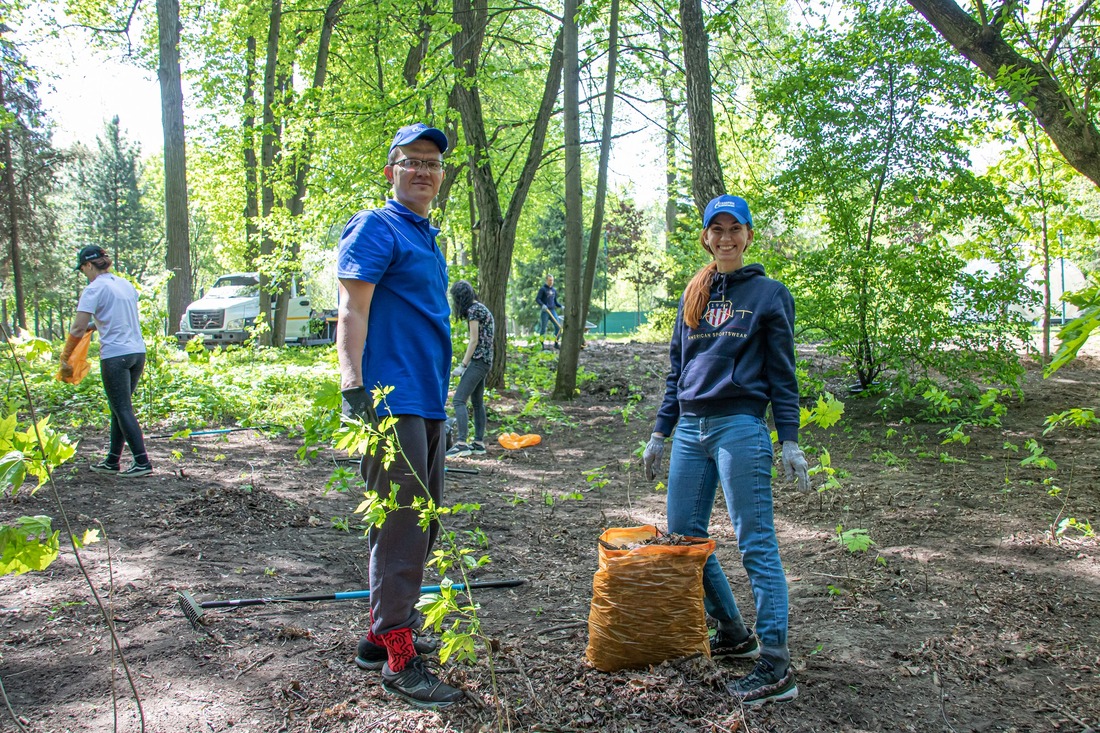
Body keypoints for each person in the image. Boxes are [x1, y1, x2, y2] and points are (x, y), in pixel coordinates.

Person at [642, 194, 810, 706]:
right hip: (691, 429)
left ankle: (777, 664)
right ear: (706, 238)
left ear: (748, 235)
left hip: (740, 425)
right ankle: (734, 632)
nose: (726, 238)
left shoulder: (769, 294)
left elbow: (782, 374)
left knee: (755, 541)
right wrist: (659, 431)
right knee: (685, 540)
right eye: (716, 229)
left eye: (734, 228)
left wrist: (790, 442)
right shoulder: (694, 294)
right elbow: (677, 370)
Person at [335, 122, 464, 709]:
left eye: (432, 164)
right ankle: (398, 656)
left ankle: (379, 636)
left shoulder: (426, 235)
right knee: (405, 523)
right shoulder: (376, 225)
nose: (422, 171)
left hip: (426, 398)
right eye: (411, 161)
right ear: (391, 170)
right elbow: (351, 308)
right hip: (390, 398)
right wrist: (353, 383)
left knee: (418, 521)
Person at [61, 245, 152, 478]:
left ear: (89, 265)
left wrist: (66, 357)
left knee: (122, 408)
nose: (84, 274)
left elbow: (77, 327)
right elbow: (116, 316)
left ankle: (142, 462)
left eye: (83, 269)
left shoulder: (93, 289)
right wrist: (97, 325)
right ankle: (112, 460)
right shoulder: (125, 284)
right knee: (118, 408)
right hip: (136, 353)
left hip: (115, 356)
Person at [446, 280, 494, 458]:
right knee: (477, 402)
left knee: (458, 400)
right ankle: (478, 443)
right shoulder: (481, 307)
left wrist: (463, 365)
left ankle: (461, 443)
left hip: (478, 361)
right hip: (485, 361)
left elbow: (474, 340)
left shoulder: (474, 311)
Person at [535, 274, 562, 347]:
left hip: (552, 311)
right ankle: (541, 344)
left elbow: (555, 302)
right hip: (545, 312)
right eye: (550, 280)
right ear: (546, 280)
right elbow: (537, 299)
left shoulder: (554, 290)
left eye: (552, 280)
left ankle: (556, 343)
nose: (551, 282)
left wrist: (561, 306)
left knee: (558, 327)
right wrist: (542, 305)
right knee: (543, 328)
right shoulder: (542, 289)